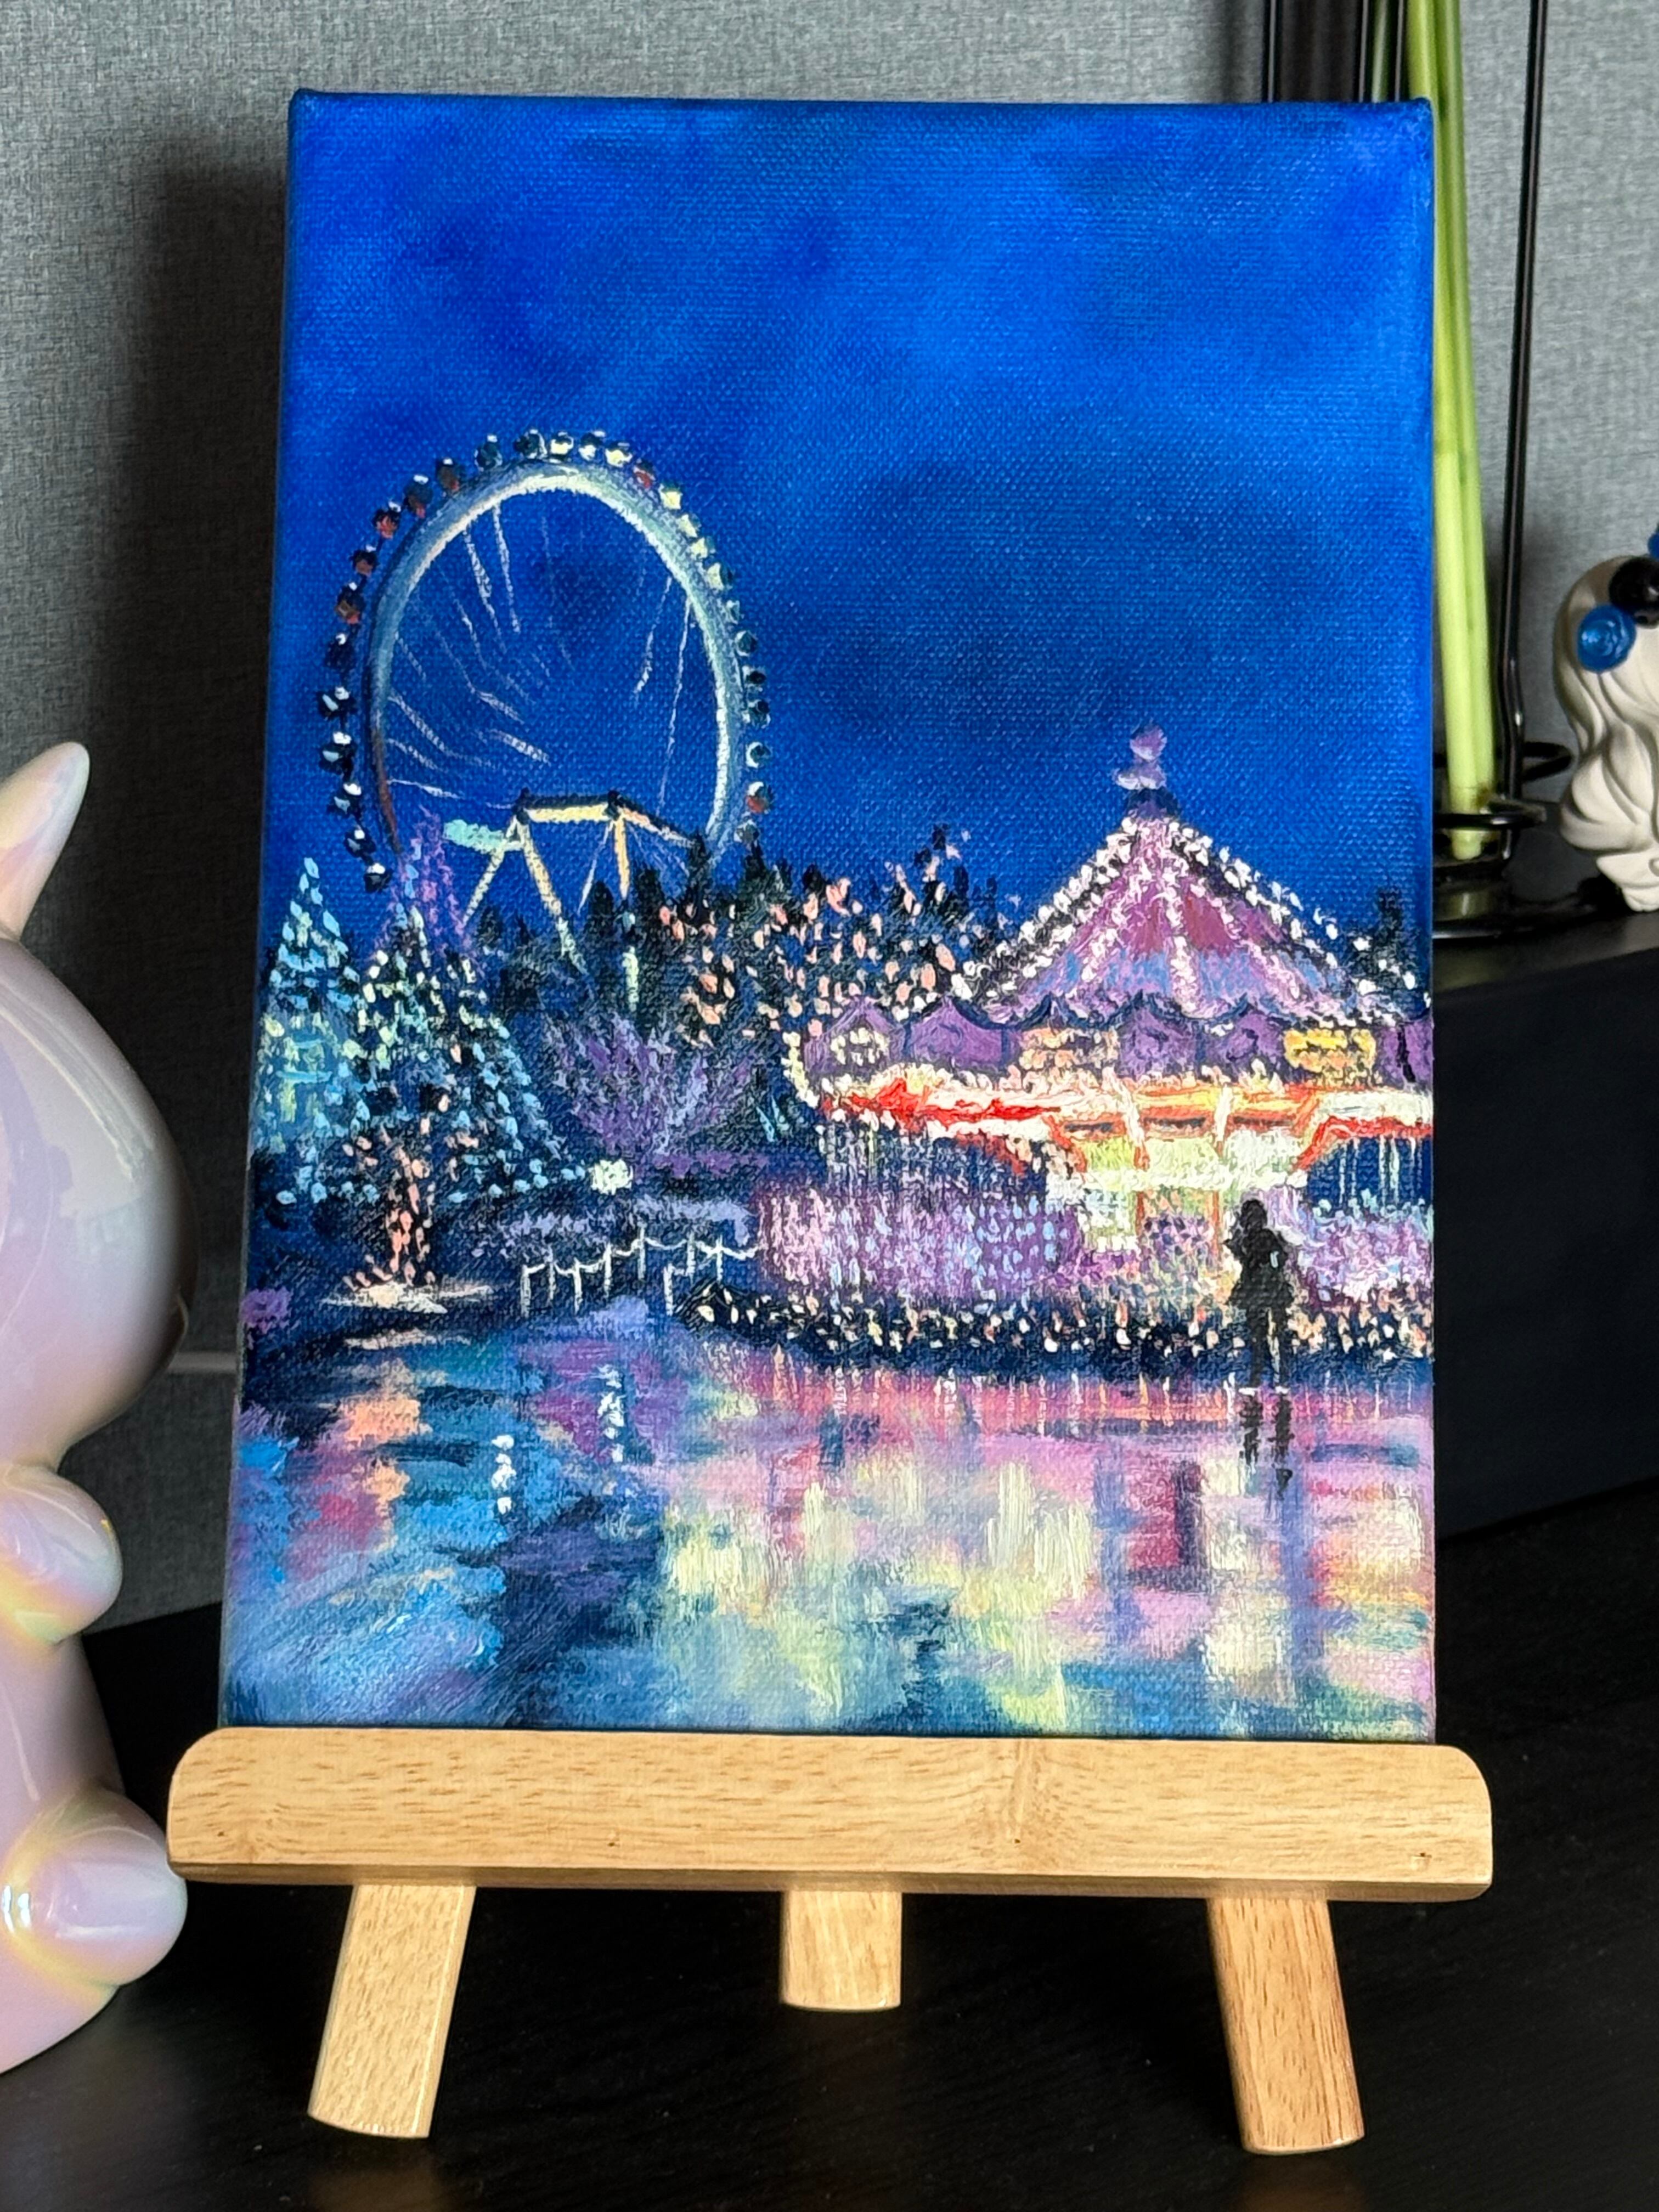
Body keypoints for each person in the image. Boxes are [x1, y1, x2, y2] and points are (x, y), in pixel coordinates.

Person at [1227, 1197, 1294, 1389]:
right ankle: (1278, 1379)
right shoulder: (1263, 1237)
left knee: (1262, 1337)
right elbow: (1278, 1260)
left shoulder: (1252, 1238)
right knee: (1273, 1336)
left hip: (1260, 1293)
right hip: (1270, 1292)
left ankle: (1263, 1379)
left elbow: (1271, 1260)